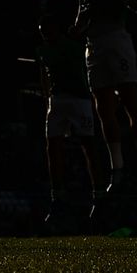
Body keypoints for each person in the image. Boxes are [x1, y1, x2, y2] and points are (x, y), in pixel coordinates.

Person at [71, 0, 137, 190]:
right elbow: (80, 20)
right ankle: (117, 169)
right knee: (103, 108)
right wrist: (74, 31)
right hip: (94, 46)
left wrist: (123, 2)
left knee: (129, 100)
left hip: (117, 39)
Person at [38, 13, 102, 219]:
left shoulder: (74, 47)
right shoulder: (44, 50)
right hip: (58, 101)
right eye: (43, 32)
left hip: (78, 99)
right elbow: (43, 76)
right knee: (54, 147)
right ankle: (58, 196)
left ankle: (99, 195)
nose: (46, 35)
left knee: (88, 145)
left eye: (48, 31)